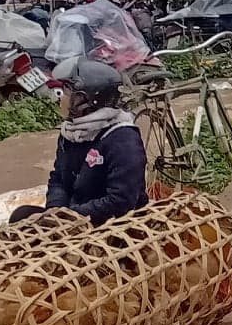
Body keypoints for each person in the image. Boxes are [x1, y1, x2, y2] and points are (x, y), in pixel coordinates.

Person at [9, 58, 147, 227]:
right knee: (21, 216)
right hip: (73, 216)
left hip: (111, 224)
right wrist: (56, 211)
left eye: (66, 92)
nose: (61, 97)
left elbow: (120, 201)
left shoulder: (123, 139)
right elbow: (58, 177)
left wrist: (71, 216)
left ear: (85, 101)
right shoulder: (71, 131)